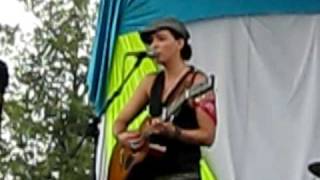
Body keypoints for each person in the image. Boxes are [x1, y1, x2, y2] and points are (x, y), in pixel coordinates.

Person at [113, 17, 217, 180]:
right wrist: (121, 136)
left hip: (182, 173)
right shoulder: (150, 82)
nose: (154, 45)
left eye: (161, 39)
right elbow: (120, 122)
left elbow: (208, 135)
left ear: (179, 43)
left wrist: (175, 132)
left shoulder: (196, 82)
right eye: (151, 41)